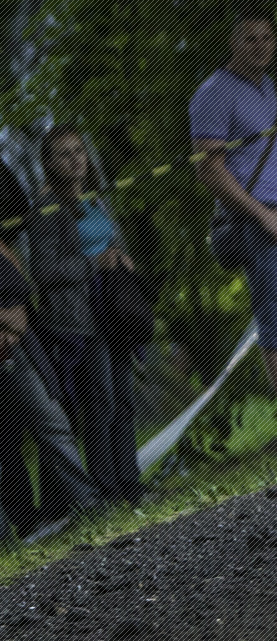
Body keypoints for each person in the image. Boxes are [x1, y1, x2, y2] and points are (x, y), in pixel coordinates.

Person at [189, 11, 277, 443]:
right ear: (233, 43)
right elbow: (208, 170)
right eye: (250, 39)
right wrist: (260, 213)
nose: (261, 46)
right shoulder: (213, 93)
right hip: (263, 219)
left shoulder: (270, 85)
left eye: (267, 37)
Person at [28, 127, 144, 505]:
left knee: (124, 399)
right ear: (49, 163)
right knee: (101, 402)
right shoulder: (46, 208)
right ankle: (106, 491)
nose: (75, 159)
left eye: (78, 150)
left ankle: (131, 486)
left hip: (114, 310)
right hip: (80, 318)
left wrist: (121, 258)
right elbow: (43, 272)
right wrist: (94, 264)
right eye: (64, 154)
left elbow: (110, 241)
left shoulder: (93, 196)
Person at [0, 234, 104, 542]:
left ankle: (90, 505)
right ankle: (9, 538)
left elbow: (21, 286)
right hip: (12, 342)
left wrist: (12, 324)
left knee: (52, 422)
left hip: (15, 350)